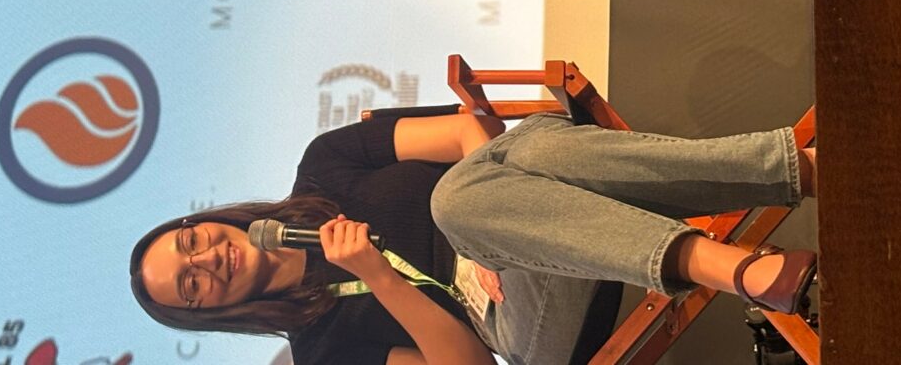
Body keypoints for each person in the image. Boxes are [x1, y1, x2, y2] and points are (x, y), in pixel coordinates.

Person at [129, 110, 817, 365]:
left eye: (190, 245)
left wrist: (491, 230)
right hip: (528, 319)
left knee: (508, 167)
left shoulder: (324, 164)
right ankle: (791, 170)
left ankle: (745, 266)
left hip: (550, 202)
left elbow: (466, 132)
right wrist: (379, 277)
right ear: (209, 313)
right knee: (469, 195)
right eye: (191, 287)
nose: (207, 261)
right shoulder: (321, 353)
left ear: (202, 223)